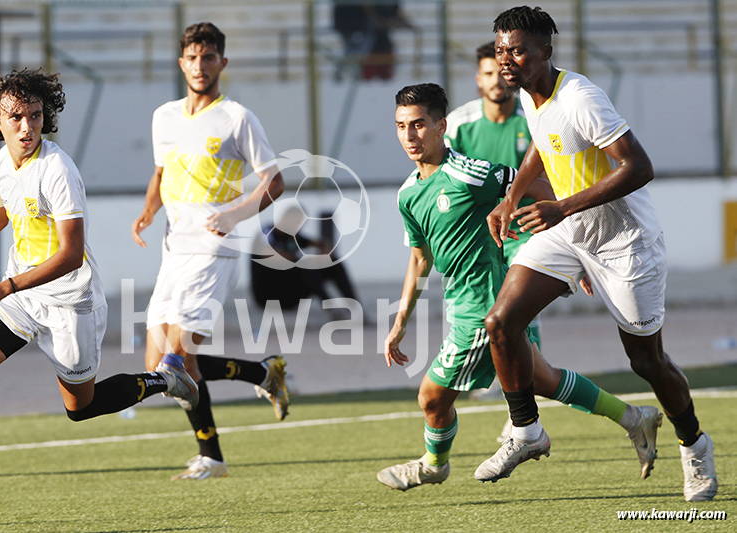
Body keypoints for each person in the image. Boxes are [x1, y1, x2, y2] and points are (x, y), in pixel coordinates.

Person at [0, 69, 199, 529]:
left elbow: (71, 255)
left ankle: (165, 378)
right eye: (16, 117)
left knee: (82, 408)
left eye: (35, 115)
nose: (27, 127)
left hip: (70, 303)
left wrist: (5, 287)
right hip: (22, 297)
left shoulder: (58, 169)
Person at [477, 6, 717, 502]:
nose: (506, 60)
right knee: (500, 322)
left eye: (517, 50)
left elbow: (639, 166)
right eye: (501, 50)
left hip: (625, 243)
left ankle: (694, 444)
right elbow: (543, 143)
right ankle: (526, 431)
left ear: (546, 50)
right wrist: (511, 197)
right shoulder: (529, 92)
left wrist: (560, 206)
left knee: (646, 361)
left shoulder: (580, 96)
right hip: (569, 233)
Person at [377, 83, 661, 492]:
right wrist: (401, 319)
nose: (409, 135)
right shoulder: (408, 193)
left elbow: (542, 189)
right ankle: (635, 419)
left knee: (431, 399)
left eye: (419, 124)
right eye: (401, 126)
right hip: (461, 303)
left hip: (484, 309)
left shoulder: (471, 174)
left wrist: (575, 246)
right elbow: (421, 258)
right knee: (542, 379)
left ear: (441, 126)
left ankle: (434, 464)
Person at [131, 22, 290, 480]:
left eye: (208, 57)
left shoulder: (237, 118)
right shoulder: (164, 116)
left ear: (222, 62)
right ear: (181, 63)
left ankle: (212, 457)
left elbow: (275, 181)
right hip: (174, 249)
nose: (200, 66)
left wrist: (234, 215)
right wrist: (147, 210)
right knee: (159, 365)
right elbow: (160, 173)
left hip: (214, 249)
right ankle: (263, 375)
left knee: (177, 360)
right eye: (192, 58)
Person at [250, 203, 358, 310]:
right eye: (296, 223)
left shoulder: (293, 236)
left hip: (290, 294)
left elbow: (320, 243)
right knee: (305, 266)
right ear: (285, 218)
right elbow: (270, 254)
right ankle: (330, 307)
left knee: (333, 263)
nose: (299, 227)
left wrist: (324, 254)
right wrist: (306, 260)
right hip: (268, 297)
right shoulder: (267, 233)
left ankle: (354, 307)